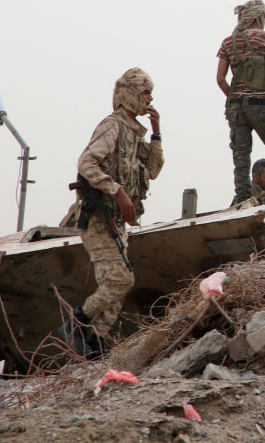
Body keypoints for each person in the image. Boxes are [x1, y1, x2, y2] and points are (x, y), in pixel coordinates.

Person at [58, 67, 164, 358]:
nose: (150, 99)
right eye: (145, 93)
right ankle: (76, 323)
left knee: (117, 285)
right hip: (98, 219)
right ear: (130, 93)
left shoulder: (134, 133)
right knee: (120, 280)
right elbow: (87, 163)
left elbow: (153, 170)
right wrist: (117, 190)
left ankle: (97, 339)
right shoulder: (112, 126)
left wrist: (156, 134)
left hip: (116, 222)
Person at [216, 0, 265, 204]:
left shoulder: (228, 42)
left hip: (236, 109)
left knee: (241, 158)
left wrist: (234, 98)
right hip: (260, 106)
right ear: (260, 17)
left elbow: (220, 79)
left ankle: (243, 200)